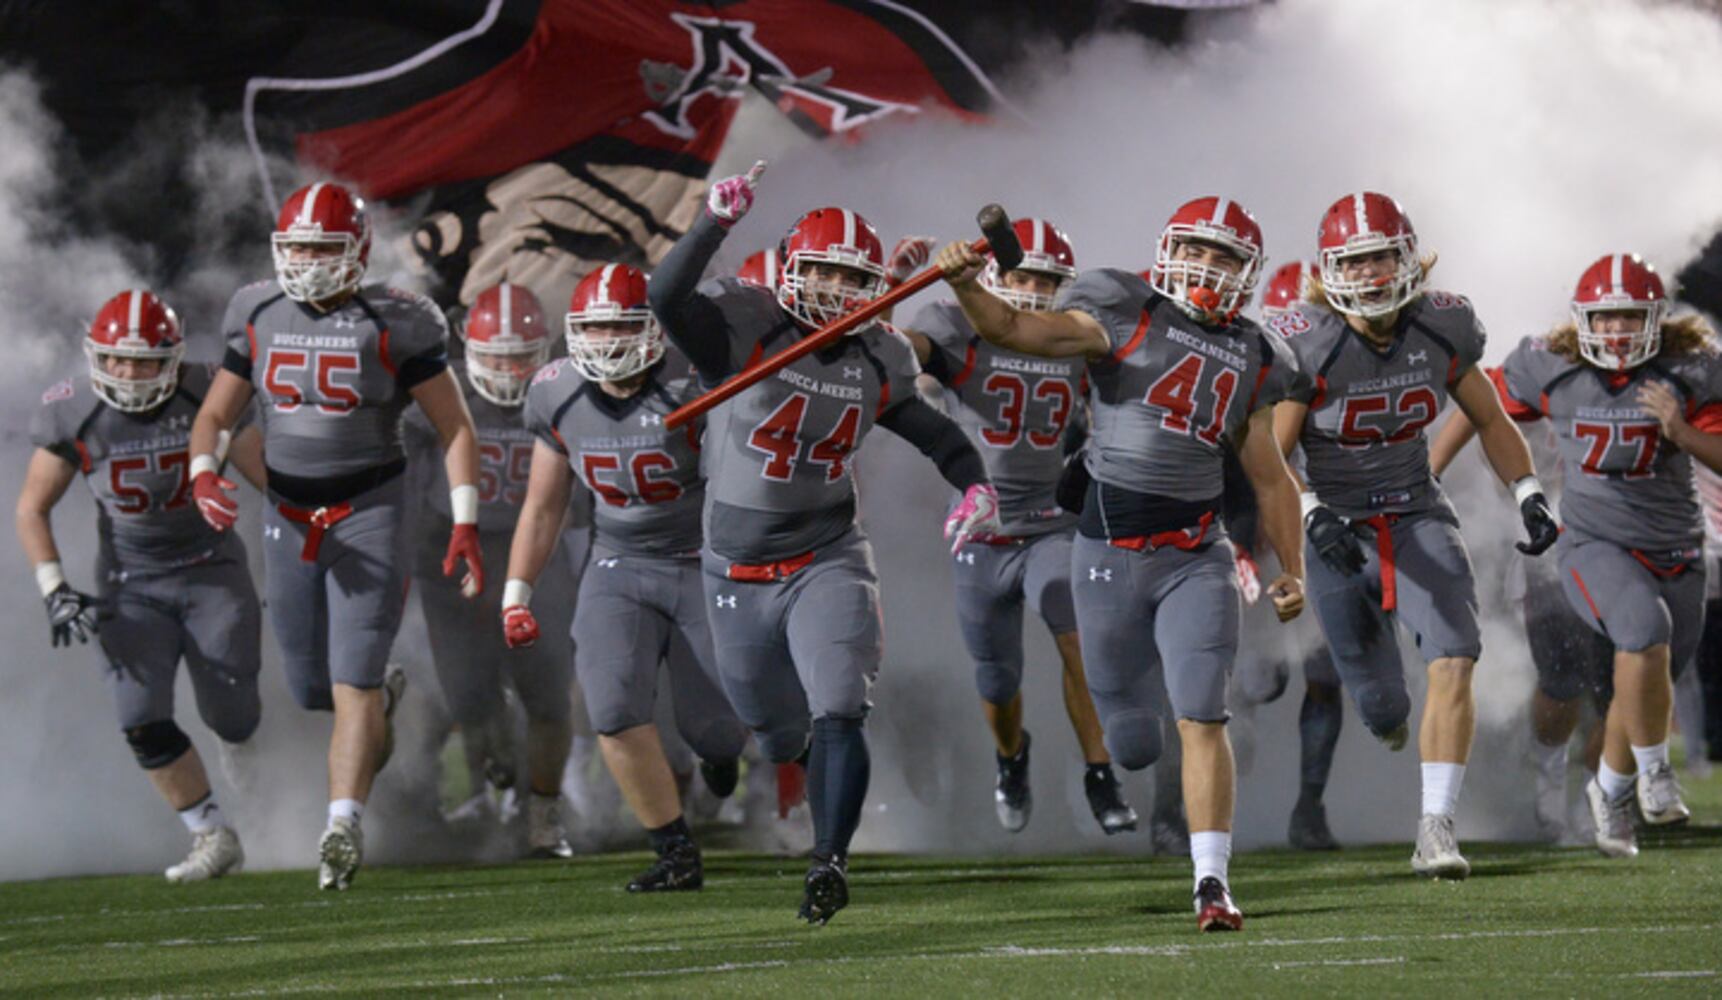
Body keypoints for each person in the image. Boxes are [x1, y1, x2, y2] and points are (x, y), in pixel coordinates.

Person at [936, 194, 1310, 932]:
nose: (1208, 267)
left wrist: (1288, 565)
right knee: (1134, 742)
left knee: (1204, 711)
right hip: (1106, 552)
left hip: (1195, 553)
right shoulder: (1123, 307)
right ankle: (1111, 770)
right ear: (1169, 250)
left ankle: (1212, 883)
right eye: (1198, 251)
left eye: (1225, 257)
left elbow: (1268, 474)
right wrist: (964, 285)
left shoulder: (1259, 353)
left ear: (1249, 272)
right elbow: (1015, 328)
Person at [648, 162, 1000, 925]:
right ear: (791, 273)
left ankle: (828, 862)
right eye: (825, 273)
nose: (839, 291)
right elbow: (664, 297)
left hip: (826, 552)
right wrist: (713, 221)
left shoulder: (882, 357)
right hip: (735, 567)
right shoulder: (745, 326)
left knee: (840, 704)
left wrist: (974, 484)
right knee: (777, 733)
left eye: (853, 278)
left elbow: (939, 436)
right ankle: (779, 774)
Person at [189, 181, 483, 890]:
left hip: (372, 512)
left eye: (324, 248)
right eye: (297, 248)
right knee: (311, 687)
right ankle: (376, 709)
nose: (309, 262)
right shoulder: (255, 308)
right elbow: (216, 416)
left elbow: (455, 428)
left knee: (351, 678)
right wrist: (203, 469)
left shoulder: (400, 319)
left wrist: (466, 519)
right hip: (288, 517)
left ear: (356, 251)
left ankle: (341, 826)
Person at [1267, 190, 1558, 879]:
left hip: (1416, 511)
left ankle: (1436, 828)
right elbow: (1271, 455)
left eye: (1381, 259)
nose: (1370, 276)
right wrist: (1310, 513)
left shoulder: (1444, 326)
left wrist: (1529, 494)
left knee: (1456, 655)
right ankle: (1384, 721)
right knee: (1382, 707)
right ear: (1330, 269)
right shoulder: (1307, 342)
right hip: (1335, 525)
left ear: (1408, 258)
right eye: (1356, 262)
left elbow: (1489, 418)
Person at [1429, 253, 1722, 858]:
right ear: (1582, 319)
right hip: (1592, 542)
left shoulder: (1691, 369)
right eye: (1605, 318)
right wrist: (1427, 474)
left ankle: (1608, 793)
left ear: (1655, 319)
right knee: (1640, 636)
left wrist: (1681, 432)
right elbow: (1478, 402)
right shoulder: (1552, 364)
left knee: (1646, 676)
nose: (1615, 331)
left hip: (1677, 547)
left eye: (1628, 318)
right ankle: (1653, 775)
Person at [504, 263, 750, 891]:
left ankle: (721, 756)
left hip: (703, 560)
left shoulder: (697, 381)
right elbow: (542, 503)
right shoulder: (555, 389)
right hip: (617, 562)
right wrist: (518, 590)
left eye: (622, 325)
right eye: (595, 327)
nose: (608, 340)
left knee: (716, 728)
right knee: (611, 707)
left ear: (654, 330)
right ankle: (674, 850)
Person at [899, 216, 1137, 836]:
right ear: (992, 275)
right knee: (997, 680)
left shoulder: (1068, 337)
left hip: (1052, 524)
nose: (1032, 290)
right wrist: (895, 292)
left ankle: (1100, 772)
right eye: (1020, 275)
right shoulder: (951, 325)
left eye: (1046, 280)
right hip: (982, 533)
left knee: (1077, 636)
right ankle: (1012, 756)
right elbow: (897, 356)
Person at [17, 289, 266, 882]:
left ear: (173, 358)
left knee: (232, 712)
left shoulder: (207, 392)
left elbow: (271, 481)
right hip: (130, 585)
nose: (128, 373)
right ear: (95, 355)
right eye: (116, 359)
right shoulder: (72, 410)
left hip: (211, 570)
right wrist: (55, 586)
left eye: (145, 360)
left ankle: (236, 746)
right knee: (138, 715)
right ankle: (210, 832)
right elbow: (32, 508)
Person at [403, 280, 578, 857]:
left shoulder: (565, 393)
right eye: (494, 356)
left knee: (549, 695)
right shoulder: (436, 397)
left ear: (545, 352)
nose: (506, 369)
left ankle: (544, 812)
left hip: (538, 558)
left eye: (520, 357)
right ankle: (500, 774)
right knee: (468, 696)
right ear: (466, 349)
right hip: (454, 561)